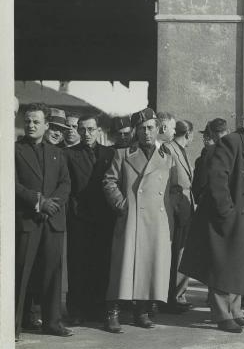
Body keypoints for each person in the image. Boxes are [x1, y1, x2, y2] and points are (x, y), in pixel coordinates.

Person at [179, 104, 244, 333]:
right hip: (228, 219)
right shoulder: (232, 142)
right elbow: (217, 178)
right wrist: (227, 213)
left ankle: (235, 311)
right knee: (223, 266)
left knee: (237, 266)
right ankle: (222, 314)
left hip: (243, 220)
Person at [102, 108, 184, 333]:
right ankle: (113, 312)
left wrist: (169, 207)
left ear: (158, 129)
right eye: (141, 129)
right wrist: (121, 204)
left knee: (151, 266)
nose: (146, 132)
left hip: (157, 219)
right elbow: (109, 182)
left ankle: (142, 311)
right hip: (131, 219)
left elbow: (176, 188)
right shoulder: (122, 154)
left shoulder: (167, 157)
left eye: (150, 128)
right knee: (123, 266)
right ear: (136, 132)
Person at [15, 103, 72, 338]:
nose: (31, 125)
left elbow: (65, 183)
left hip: (52, 220)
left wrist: (52, 204)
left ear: (46, 125)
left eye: (36, 122)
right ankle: (13, 326)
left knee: (52, 273)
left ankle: (52, 322)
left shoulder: (57, 152)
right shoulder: (14, 150)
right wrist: (38, 201)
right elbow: (11, 182)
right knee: (21, 274)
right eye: (28, 121)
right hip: (28, 220)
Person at [63, 114, 116, 325]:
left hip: (104, 218)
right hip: (79, 218)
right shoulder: (69, 154)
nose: (87, 134)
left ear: (98, 130)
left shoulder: (109, 153)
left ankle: (99, 308)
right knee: (78, 265)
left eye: (91, 129)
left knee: (101, 264)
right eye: (82, 129)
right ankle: (76, 310)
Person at [162, 120, 195, 313]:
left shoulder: (181, 150)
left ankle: (178, 295)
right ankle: (171, 297)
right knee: (174, 254)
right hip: (175, 209)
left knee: (181, 253)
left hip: (185, 207)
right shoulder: (169, 149)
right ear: (188, 134)